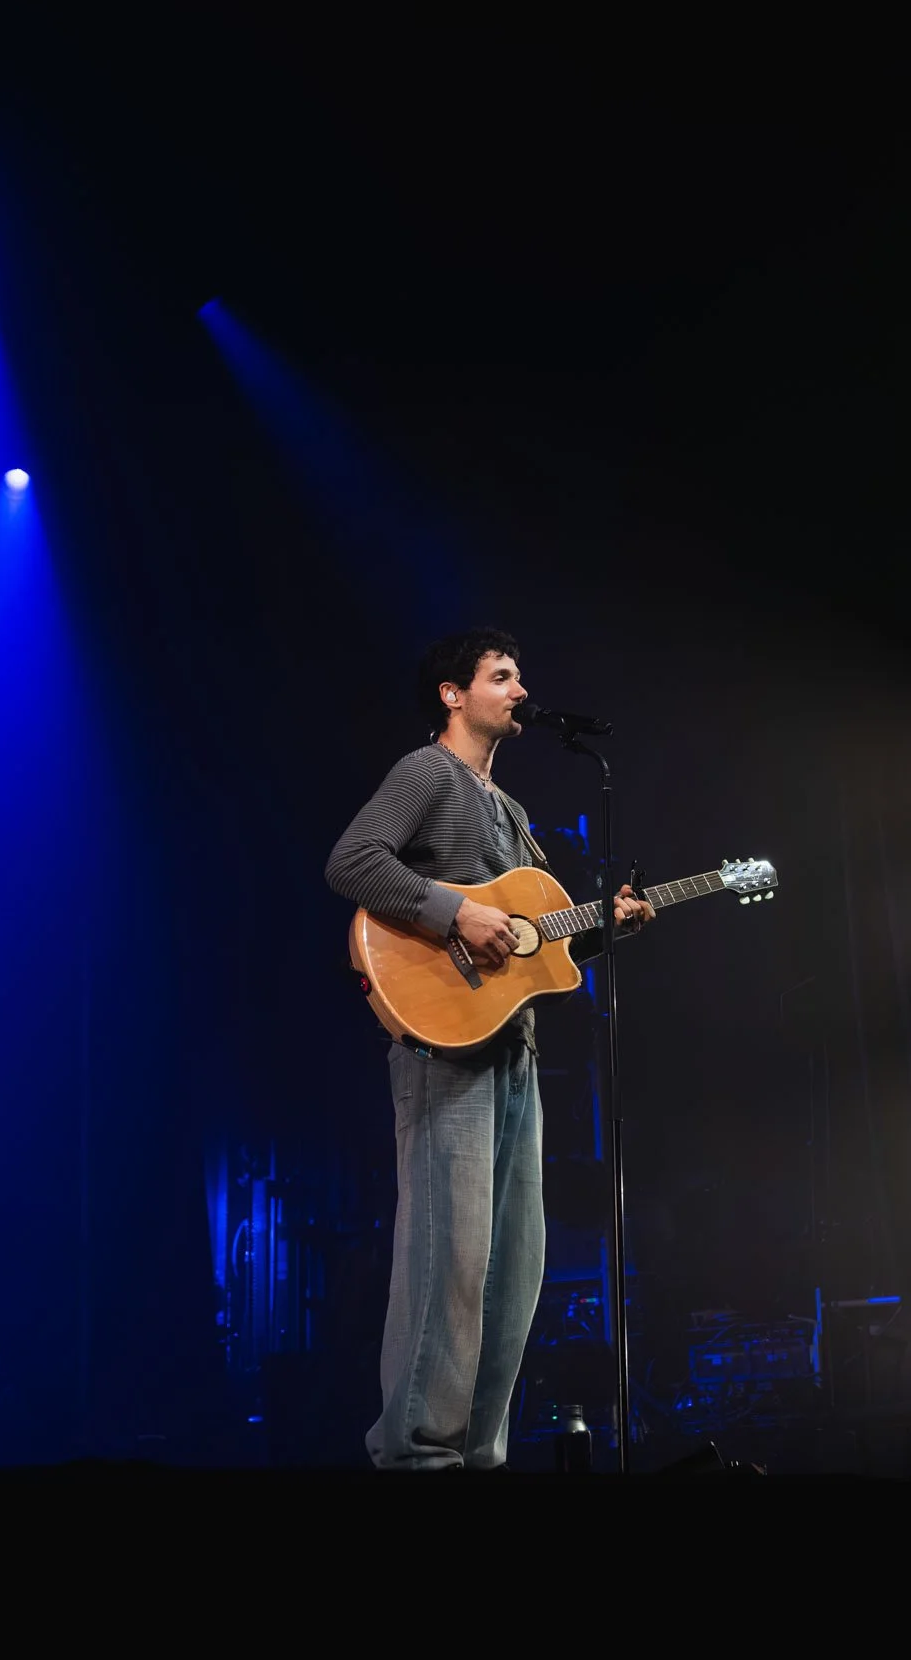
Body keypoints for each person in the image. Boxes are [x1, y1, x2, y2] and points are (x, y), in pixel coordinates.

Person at [325, 626, 655, 1470]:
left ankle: (479, 1455)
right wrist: (455, 913)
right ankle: (418, 1456)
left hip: (515, 1053)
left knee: (513, 1271)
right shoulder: (426, 771)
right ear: (453, 694)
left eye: (518, 677)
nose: (518, 690)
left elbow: (534, 947)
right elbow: (353, 861)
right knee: (451, 1261)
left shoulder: (510, 811)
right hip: (446, 1049)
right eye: (501, 676)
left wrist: (604, 928)